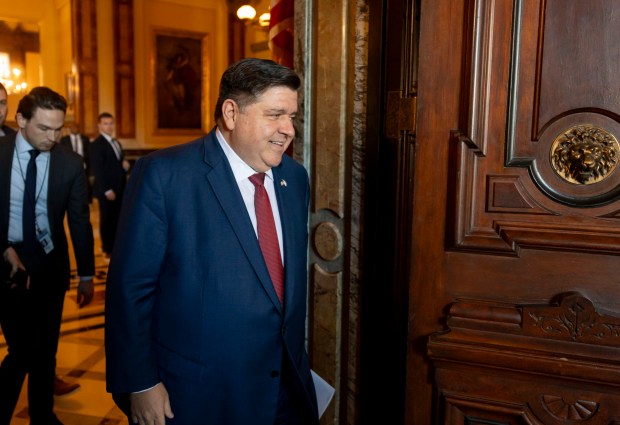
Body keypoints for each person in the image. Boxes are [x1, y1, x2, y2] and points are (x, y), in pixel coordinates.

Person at [105, 58, 319, 424]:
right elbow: (131, 288)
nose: (289, 130)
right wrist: (140, 384)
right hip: (200, 397)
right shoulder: (164, 175)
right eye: (275, 115)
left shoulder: (294, 178)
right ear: (232, 113)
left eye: (293, 117)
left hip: (283, 390)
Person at [0, 87, 95, 424]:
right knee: (22, 351)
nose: (52, 137)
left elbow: (80, 221)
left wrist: (86, 274)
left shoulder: (71, 163)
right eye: (43, 128)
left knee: (45, 352)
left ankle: (43, 416)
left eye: (59, 129)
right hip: (7, 266)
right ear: (21, 119)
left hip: (49, 268)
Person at [90, 112, 129, 258]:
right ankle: (107, 249)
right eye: (105, 123)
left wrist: (125, 165)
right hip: (107, 191)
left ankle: (116, 246)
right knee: (107, 221)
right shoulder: (96, 145)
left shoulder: (116, 142)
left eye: (111, 123)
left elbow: (118, 164)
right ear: (99, 125)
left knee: (118, 219)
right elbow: (98, 170)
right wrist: (107, 190)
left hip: (120, 189)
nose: (109, 126)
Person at [59, 122, 92, 201]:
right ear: (70, 129)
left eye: (77, 127)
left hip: (84, 166)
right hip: (69, 167)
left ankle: (84, 200)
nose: (75, 129)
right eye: (73, 127)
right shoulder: (64, 140)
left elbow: (89, 154)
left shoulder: (85, 139)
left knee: (84, 184)